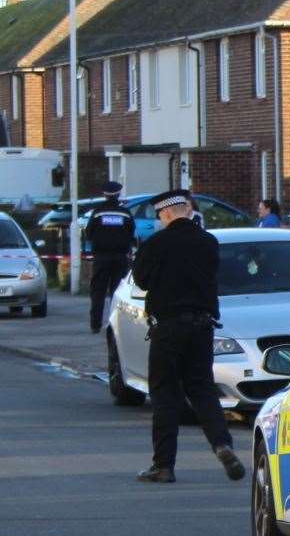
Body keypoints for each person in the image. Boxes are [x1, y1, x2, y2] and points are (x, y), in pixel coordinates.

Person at [129, 190, 246, 484]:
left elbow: (141, 280)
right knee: (203, 389)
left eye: (159, 216)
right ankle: (222, 444)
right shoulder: (208, 243)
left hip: (167, 327)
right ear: (188, 211)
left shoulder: (155, 243)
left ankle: (163, 464)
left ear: (166, 214)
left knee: (165, 393)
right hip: (202, 325)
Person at [84, 181, 136, 334]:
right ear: (118, 195)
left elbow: (89, 233)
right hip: (120, 258)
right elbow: (131, 233)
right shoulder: (125, 213)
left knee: (98, 292)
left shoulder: (98, 213)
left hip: (101, 257)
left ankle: (95, 324)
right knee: (117, 292)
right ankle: (116, 326)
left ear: (105, 195)